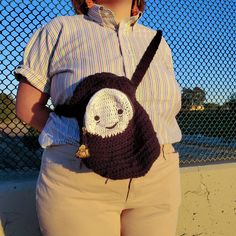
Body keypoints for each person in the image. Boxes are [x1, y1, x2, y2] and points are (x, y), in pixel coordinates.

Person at [15, 0, 182, 235]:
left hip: (158, 175)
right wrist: (76, 138)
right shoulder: (59, 29)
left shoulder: (157, 41)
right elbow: (27, 106)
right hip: (79, 176)